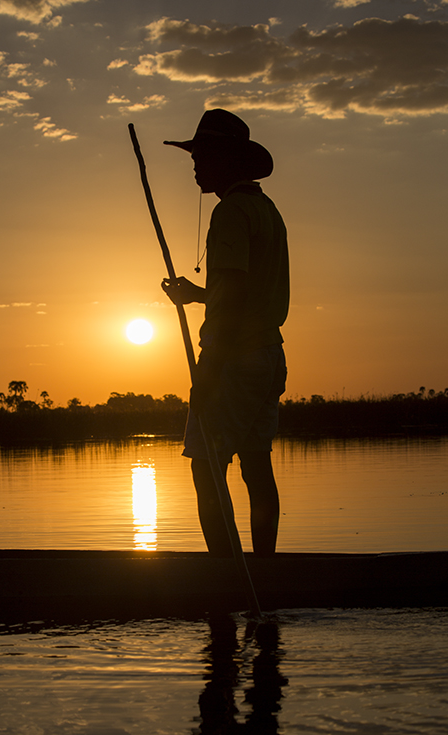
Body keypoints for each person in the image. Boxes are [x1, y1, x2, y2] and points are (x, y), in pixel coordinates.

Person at [162, 109, 289, 558]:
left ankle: (224, 573)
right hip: (268, 356)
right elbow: (241, 289)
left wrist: (210, 367)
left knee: (207, 467)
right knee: (257, 467)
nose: (196, 164)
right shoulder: (266, 211)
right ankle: (264, 570)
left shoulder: (231, 212)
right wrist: (198, 294)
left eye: (204, 154)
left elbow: (233, 292)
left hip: (234, 358)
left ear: (230, 160)